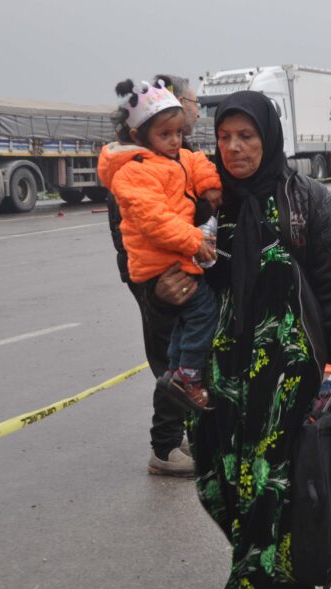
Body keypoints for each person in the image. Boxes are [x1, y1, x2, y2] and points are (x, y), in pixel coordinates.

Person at [163, 90, 331, 589]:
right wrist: (159, 293)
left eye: (246, 136)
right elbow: (164, 279)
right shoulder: (201, 204)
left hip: (287, 379)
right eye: (224, 137)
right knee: (227, 489)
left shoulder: (308, 199)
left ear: (269, 137)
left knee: (273, 491)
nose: (234, 147)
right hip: (220, 380)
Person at [104, 74, 217, 477]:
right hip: (159, 275)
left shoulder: (173, 154)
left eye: (180, 130)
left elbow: (196, 167)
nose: (180, 135)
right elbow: (145, 224)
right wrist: (155, 286)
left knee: (178, 352)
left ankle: (177, 432)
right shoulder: (135, 168)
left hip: (179, 262)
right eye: (192, 104)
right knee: (172, 358)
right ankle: (165, 447)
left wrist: (210, 188)